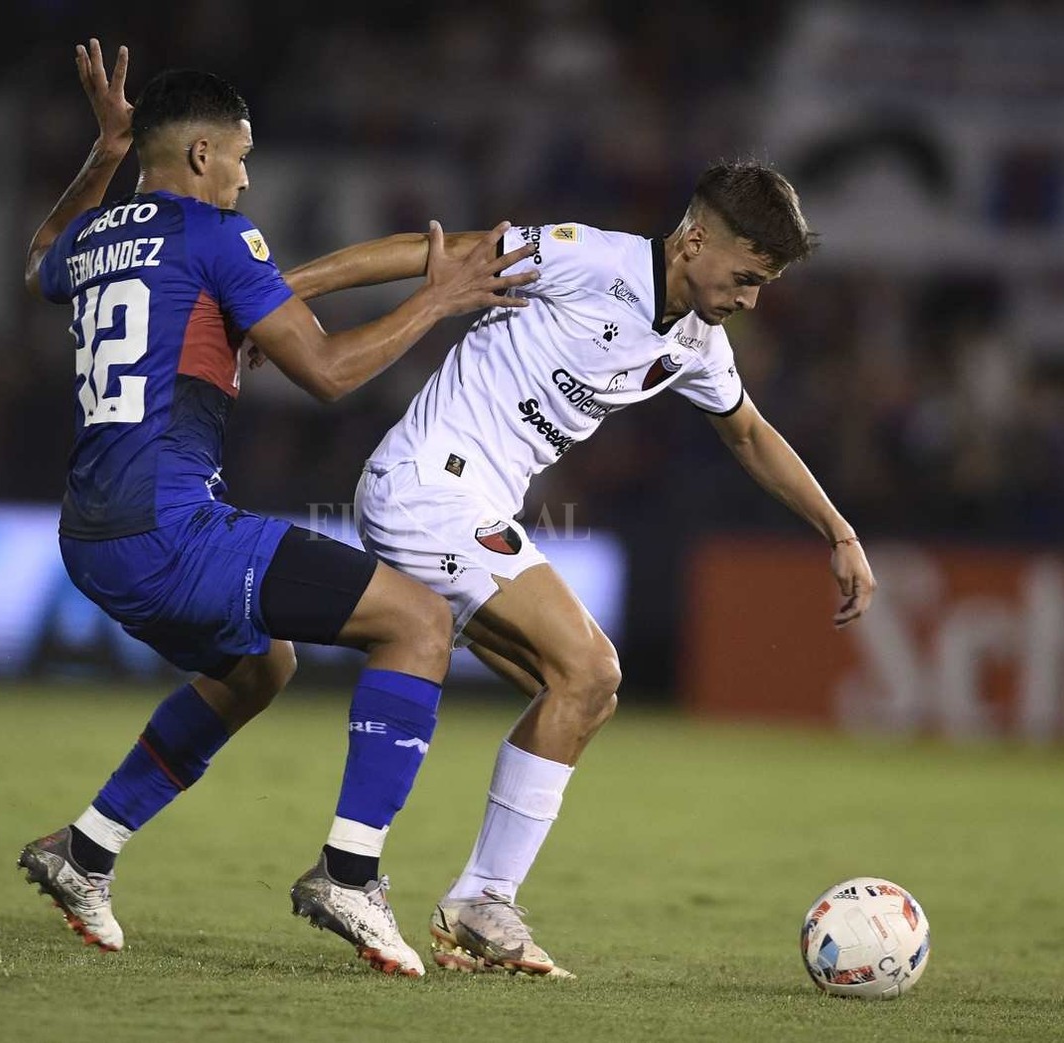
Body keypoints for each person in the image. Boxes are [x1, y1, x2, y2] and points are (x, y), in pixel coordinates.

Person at [15, 40, 536, 978]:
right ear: (204, 156)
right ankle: (350, 871)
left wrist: (104, 153)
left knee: (258, 665)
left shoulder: (98, 236)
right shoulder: (216, 236)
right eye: (242, 156)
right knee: (417, 622)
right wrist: (440, 295)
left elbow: (40, 259)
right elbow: (330, 373)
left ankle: (83, 848)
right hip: (170, 532)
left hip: (90, 537)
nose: (248, 180)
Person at [284, 163, 877, 977]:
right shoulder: (586, 258)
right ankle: (451, 891)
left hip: (466, 508)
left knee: (581, 691)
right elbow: (433, 254)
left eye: (762, 285)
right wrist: (278, 297)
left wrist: (838, 532)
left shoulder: (696, 342)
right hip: (429, 485)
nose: (749, 299)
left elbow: (748, 433)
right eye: (745, 277)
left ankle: (474, 904)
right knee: (591, 664)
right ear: (694, 241)